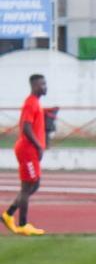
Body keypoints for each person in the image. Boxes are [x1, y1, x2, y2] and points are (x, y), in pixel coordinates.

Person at [3, 74, 48, 236]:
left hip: (31, 150)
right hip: (27, 150)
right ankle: (22, 224)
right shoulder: (30, 103)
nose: (45, 87)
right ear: (34, 86)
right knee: (27, 186)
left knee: (34, 184)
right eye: (42, 84)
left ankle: (8, 214)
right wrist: (38, 146)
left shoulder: (36, 103)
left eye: (45, 84)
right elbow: (26, 128)